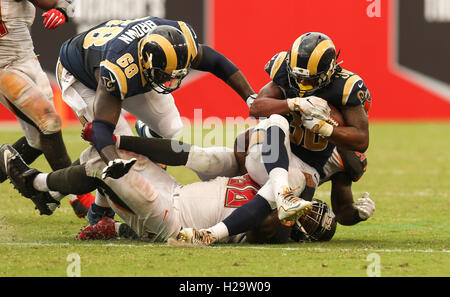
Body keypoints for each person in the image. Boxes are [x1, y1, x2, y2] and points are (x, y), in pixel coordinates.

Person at [55, 16, 255, 222]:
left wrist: (250, 97)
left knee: (174, 130)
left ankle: (148, 134)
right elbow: (102, 130)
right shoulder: (118, 69)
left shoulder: (181, 40)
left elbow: (215, 61)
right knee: (120, 152)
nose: (170, 81)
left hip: (134, 68)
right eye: (164, 75)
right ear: (147, 61)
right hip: (82, 77)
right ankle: (95, 207)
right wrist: (114, 161)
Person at [0, 0, 94, 217]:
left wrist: (61, 11)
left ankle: (44, 193)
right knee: (49, 121)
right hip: (4, 67)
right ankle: (77, 197)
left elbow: (67, 5)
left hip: (28, 61)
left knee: (38, 141)